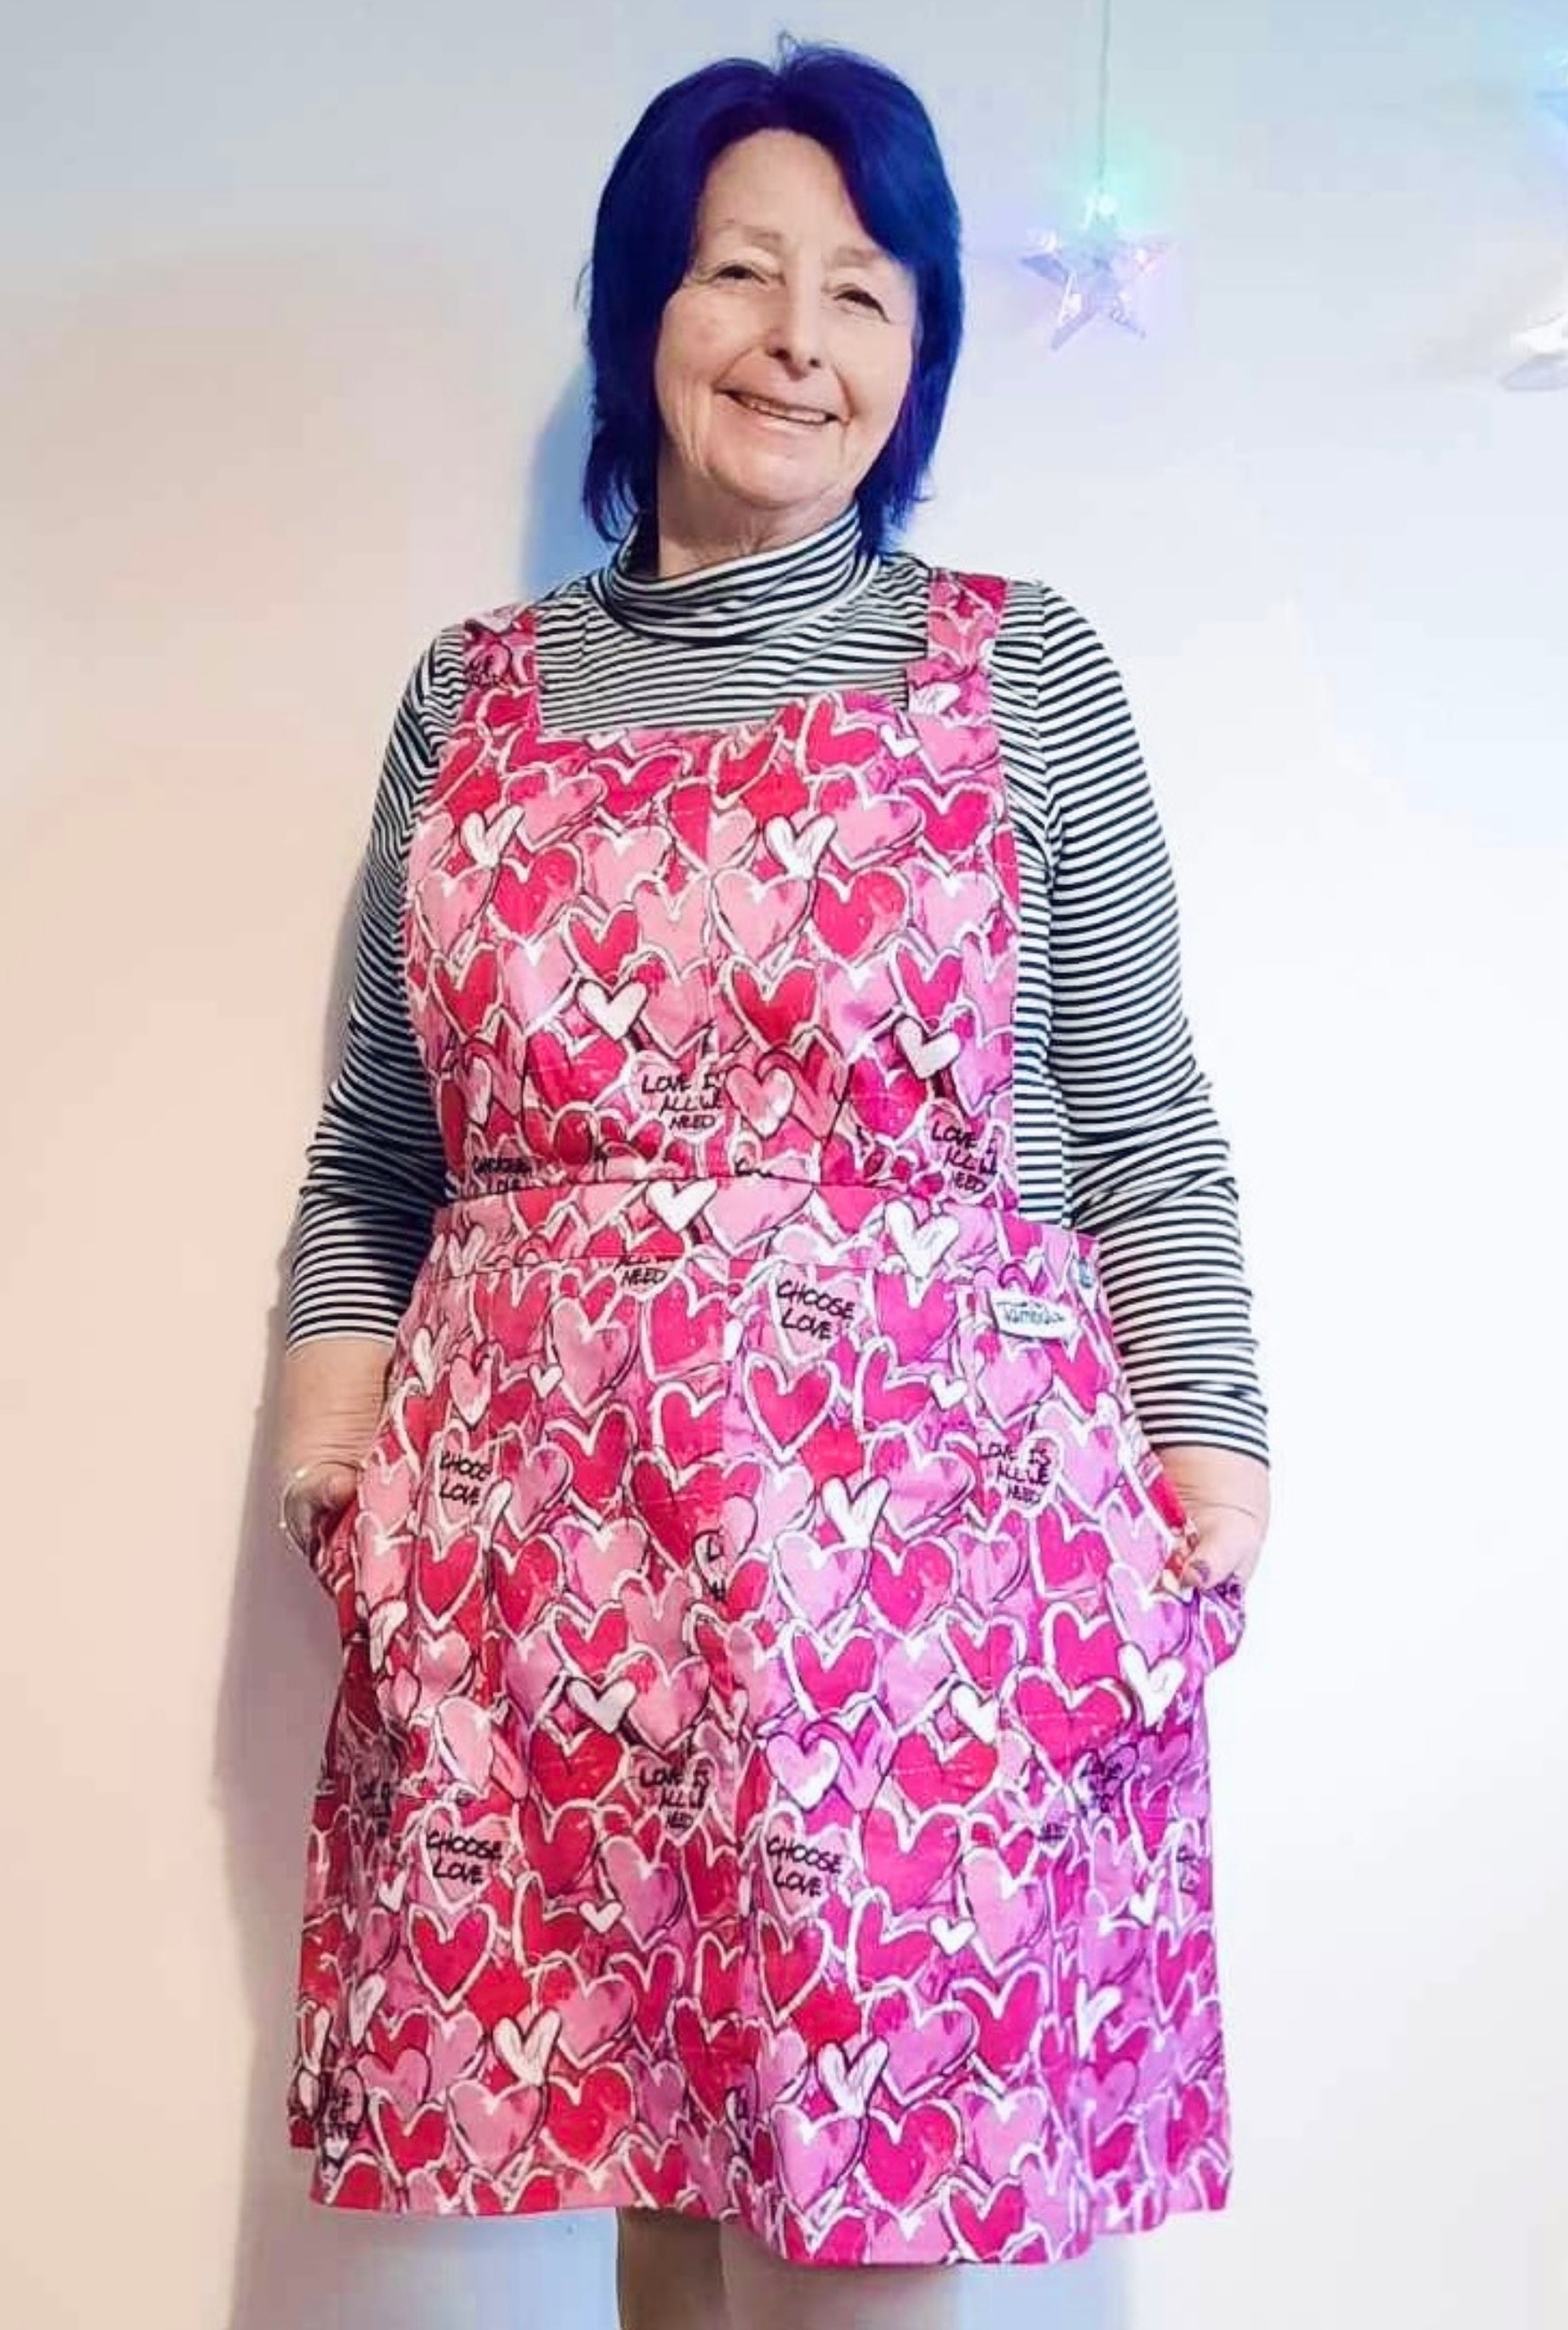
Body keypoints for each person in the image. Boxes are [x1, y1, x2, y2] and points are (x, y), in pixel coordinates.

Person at [274, 34, 1271, 2330]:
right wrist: (332, 1473)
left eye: (867, 293)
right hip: (552, 1585)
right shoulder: (474, 698)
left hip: (916, 1595)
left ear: (914, 362)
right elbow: (378, 1144)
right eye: (742, 273)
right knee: (654, 2215)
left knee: (871, 2245)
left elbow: (1133, 1114)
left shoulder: (1024, 680)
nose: (798, 341)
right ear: (646, 313)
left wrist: (1211, 1468)